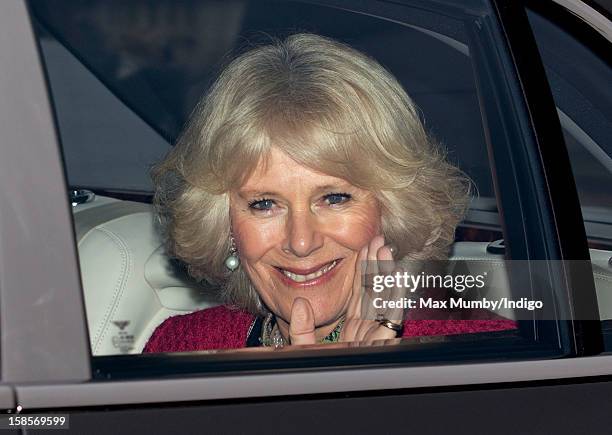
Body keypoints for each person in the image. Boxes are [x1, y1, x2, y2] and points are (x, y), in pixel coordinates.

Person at [143, 33, 515, 353]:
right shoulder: (182, 347)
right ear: (225, 226)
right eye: (264, 204)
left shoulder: (482, 355)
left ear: (391, 209)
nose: (301, 242)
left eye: (334, 198)